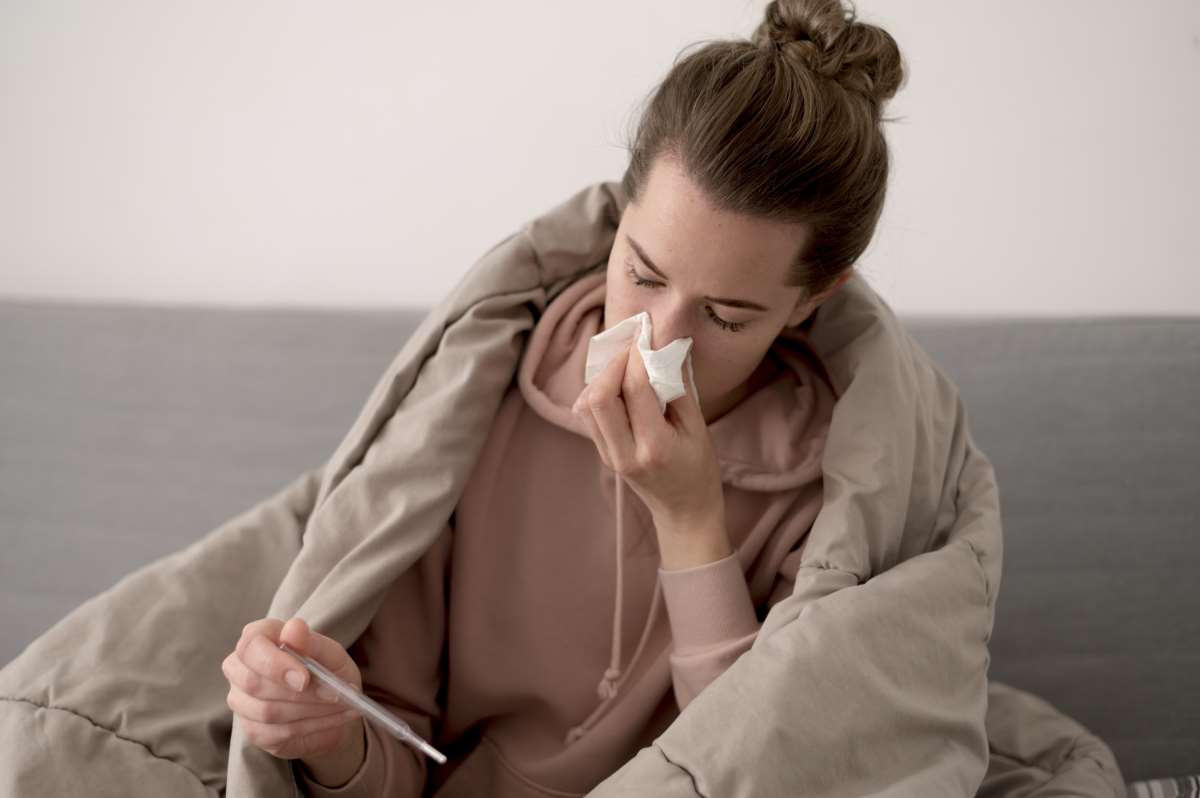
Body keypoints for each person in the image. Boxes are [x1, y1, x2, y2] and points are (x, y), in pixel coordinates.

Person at [221, 0, 907, 794]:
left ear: (812, 299)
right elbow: (399, 762)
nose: (656, 339)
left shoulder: (830, 495)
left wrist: (691, 523)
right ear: (616, 221)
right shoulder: (479, 409)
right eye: (642, 274)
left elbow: (755, 775)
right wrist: (332, 737)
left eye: (724, 316)